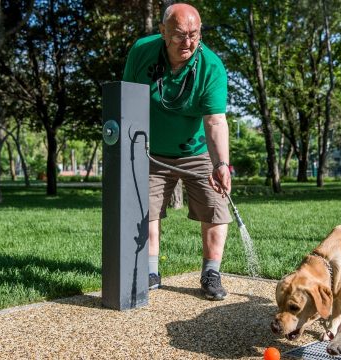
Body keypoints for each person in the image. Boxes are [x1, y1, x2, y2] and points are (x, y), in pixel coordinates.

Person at [123, 3, 232, 300]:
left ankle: (211, 273)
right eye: (179, 35)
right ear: (162, 32)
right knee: (146, 210)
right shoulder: (141, 52)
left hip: (197, 150)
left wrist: (221, 163)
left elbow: (215, 120)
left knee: (215, 207)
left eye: (194, 35)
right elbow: (128, 100)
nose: (188, 43)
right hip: (150, 150)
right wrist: (130, 149)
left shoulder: (211, 66)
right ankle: (150, 271)